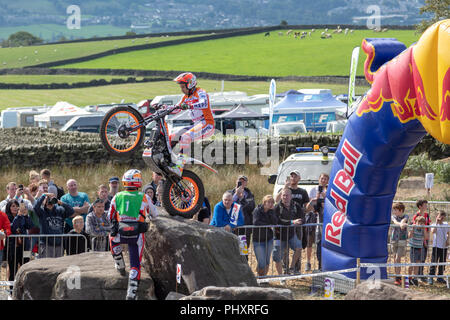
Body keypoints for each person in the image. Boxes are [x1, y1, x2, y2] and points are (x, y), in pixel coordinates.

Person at [108, 169, 158, 300]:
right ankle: (132, 292)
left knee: (112, 238)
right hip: (137, 234)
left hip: (120, 232)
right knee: (135, 263)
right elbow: (155, 214)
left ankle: (119, 262)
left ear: (125, 181)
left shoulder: (117, 196)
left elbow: (110, 216)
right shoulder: (144, 197)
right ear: (139, 182)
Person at [165, 72, 215, 175]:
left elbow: (204, 103)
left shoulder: (200, 92)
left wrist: (189, 106)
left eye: (183, 87)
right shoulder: (186, 97)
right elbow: (176, 109)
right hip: (196, 124)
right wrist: (164, 108)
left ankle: (179, 167)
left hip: (207, 124)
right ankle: (167, 161)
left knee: (185, 137)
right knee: (173, 137)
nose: (181, 89)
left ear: (190, 84)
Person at [33, 193, 77, 258]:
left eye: (51, 201)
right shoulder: (42, 212)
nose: (50, 203)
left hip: (59, 244)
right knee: (46, 266)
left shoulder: (60, 210)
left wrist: (60, 202)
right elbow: (36, 207)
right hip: (46, 244)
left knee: (58, 266)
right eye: (48, 201)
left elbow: (71, 211)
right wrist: (44, 195)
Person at [273, 188, 304, 275]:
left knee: (298, 248)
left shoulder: (296, 205)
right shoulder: (277, 207)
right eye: (283, 195)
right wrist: (292, 222)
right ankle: (282, 275)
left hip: (291, 234)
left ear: (291, 196)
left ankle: (292, 267)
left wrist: (300, 221)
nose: (285, 197)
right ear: (281, 196)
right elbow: (277, 221)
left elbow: (302, 217)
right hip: (279, 235)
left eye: (287, 195)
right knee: (278, 256)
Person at [305, 173, 329, 272]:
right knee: (312, 242)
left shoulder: (329, 190)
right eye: (322, 178)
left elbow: (328, 206)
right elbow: (308, 208)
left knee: (324, 244)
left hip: (326, 222)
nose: (323, 180)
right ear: (319, 179)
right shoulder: (313, 190)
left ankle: (323, 265)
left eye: (325, 179)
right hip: (314, 220)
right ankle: (311, 263)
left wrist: (324, 197)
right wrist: (314, 200)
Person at [5, 200, 32, 286]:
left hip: (25, 246)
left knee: (26, 269)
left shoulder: (22, 216)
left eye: (17, 206)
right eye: (13, 206)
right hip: (13, 247)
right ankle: (12, 291)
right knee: (13, 271)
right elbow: (12, 228)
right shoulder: (7, 217)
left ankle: (24, 290)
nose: (15, 208)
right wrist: (18, 216)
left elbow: (30, 226)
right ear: (9, 207)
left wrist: (26, 215)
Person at [252, 195, 278, 276]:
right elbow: (256, 222)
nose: (270, 204)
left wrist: (272, 213)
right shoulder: (257, 210)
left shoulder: (271, 211)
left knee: (267, 261)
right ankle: (260, 277)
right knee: (262, 263)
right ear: (264, 202)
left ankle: (263, 278)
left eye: (272, 202)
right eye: (269, 202)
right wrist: (268, 224)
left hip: (269, 239)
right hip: (258, 240)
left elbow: (275, 222)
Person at [230, 175, 256, 250]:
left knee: (243, 250)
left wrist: (242, 198)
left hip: (244, 227)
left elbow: (251, 208)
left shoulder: (249, 194)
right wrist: (236, 195)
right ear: (236, 182)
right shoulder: (230, 193)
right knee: (232, 249)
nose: (241, 182)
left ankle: (244, 261)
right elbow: (226, 206)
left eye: (243, 181)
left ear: (246, 183)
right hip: (232, 226)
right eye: (239, 181)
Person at [428, 210, 449, 284]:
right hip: (436, 246)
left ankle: (440, 277)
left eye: (443, 216)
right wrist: (437, 222)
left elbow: (448, 232)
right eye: (440, 216)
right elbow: (433, 231)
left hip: (444, 247)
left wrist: (448, 240)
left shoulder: (446, 224)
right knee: (434, 261)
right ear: (437, 216)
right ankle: (431, 276)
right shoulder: (434, 224)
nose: (441, 218)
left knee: (442, 262)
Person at [412, 199, 431, 282]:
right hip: (418, 239)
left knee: (423, 257)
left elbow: (429, 226)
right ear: (420, 206)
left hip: (425, 238)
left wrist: (428, 238)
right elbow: (414, 226)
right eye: (425, 205)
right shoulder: (416, 215)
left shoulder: (427, 215)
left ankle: (421, 273)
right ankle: (416, 275)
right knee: (417, 258)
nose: (426, 206)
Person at [390, 202, 408, 285]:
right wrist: (401, 224)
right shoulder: (393, 216)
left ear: (401, 210)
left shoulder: (406, 216)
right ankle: (397, 277)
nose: (394, 212)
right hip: (394, 240)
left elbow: (404, 220)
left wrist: (402, 223)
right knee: (395, 258)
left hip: (402, 240)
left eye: (396, 210)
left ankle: (398, 277)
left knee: (398, 258)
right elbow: (395, 222)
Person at [408, 215, 429, 286]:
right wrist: (413, 229)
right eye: (419, 223)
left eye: (423, 223)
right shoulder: (413, 227)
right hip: (413, 248)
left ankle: (415, 278)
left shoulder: (423, 229)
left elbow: (426, 237)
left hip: (420, 248)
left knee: (417, 264)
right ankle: (409, 277)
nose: (421, 224)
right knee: (412, 264)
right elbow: (409, 236)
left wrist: (424, 229)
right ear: (416, 222)